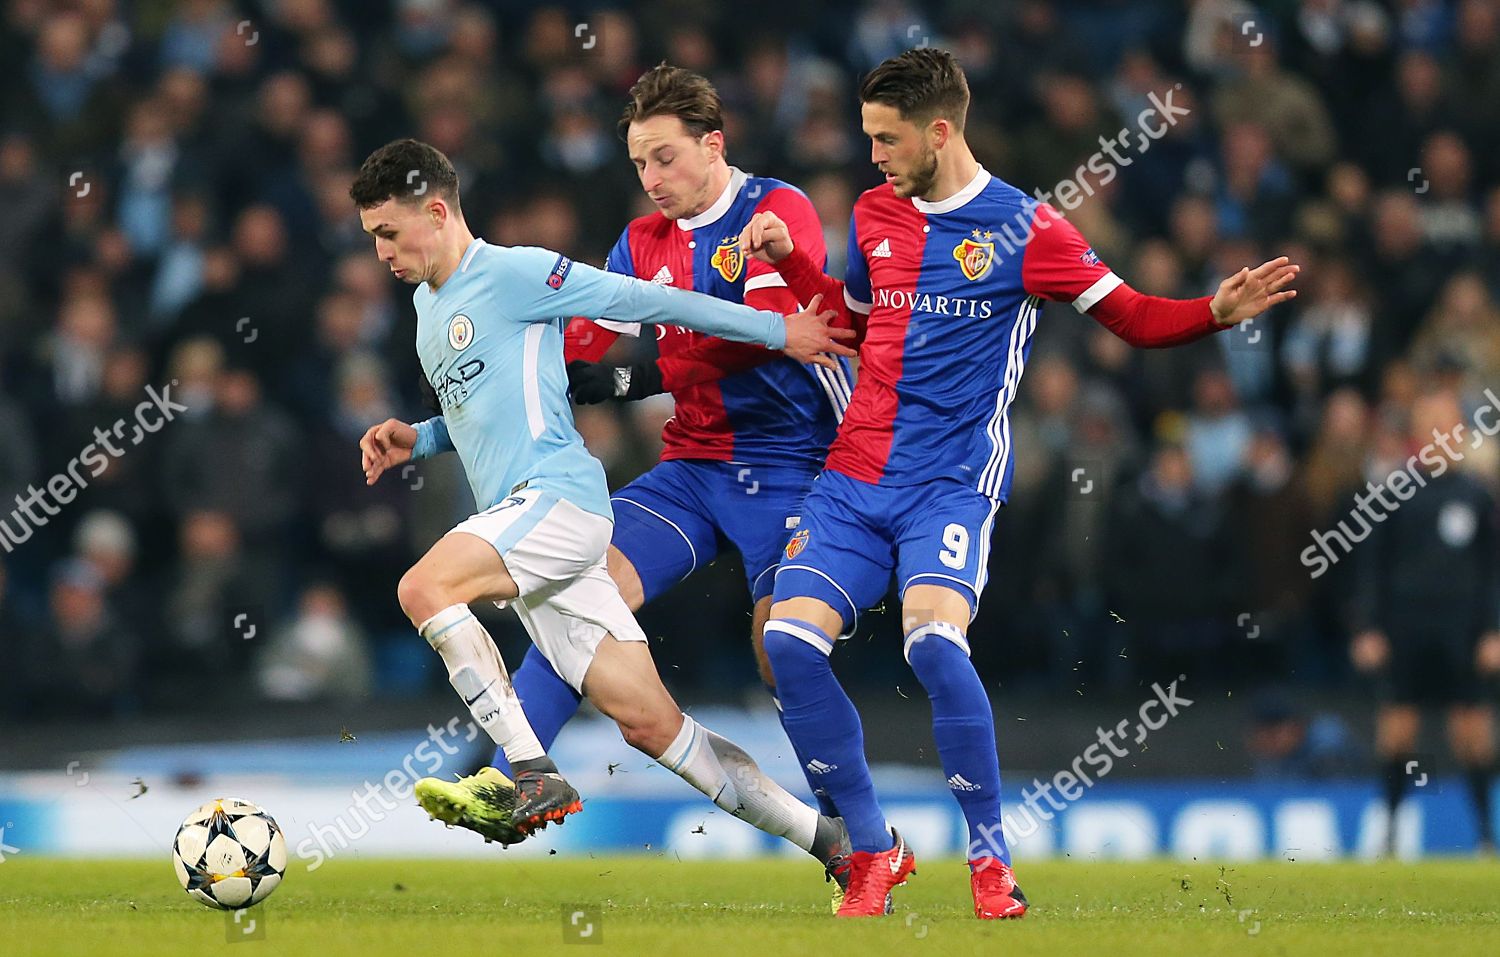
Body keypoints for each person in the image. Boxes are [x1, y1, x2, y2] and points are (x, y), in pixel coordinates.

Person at [739, 48, 1299, 917]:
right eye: (867, 139)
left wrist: (1211, 313)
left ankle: (990, 859)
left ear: (939, 131)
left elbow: (1134, 317)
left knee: (932, 642)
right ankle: (872, 851)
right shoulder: (875, 212)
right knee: (786, 642)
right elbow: (852, 320)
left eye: (887, 140)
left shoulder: (1026, 229)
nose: (874, 156)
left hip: (950, 486)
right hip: (853, 478)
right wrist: (797, 266)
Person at [349, 138, 859, 885]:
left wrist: (781, 330)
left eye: (388, 233)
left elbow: (651, 302)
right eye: (371, 239)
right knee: (655, 726)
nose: (381, 253)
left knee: (422, 588)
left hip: (559, 502)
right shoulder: (429, 310)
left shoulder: (516, 271)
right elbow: (491, 416)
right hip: (527, 531)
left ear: (435, 211)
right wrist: (418, 439)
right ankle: (831, 842)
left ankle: (526, 769)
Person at [492, 64, 859, 903]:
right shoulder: (639, 242)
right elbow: (584, 334)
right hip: (693, 468)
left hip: (797, 464)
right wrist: (506, 368)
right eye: (639, 165)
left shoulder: (777, 212)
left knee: (783, 652)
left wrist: (631, 381)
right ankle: (519, 775)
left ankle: (853, 839)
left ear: (713, 145)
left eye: (664, 159)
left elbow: (773, 336)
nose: (652, 180)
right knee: (573, 582)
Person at [1349, 389, 1500, 854]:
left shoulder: (1476, 495)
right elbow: (1371, 568)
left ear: (1460, 432)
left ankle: (1484, 835)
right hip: (1406, 630)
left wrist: (1494, 630)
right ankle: (1390, 832)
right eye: (1429, 423)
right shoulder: (1394, 493)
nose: (1439, 433)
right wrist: (1367, 627)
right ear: (1416, 434)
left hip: (1463, 632)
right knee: (1397, 731)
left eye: (1446, 424)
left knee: (1472, 733)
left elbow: (1491, 570)